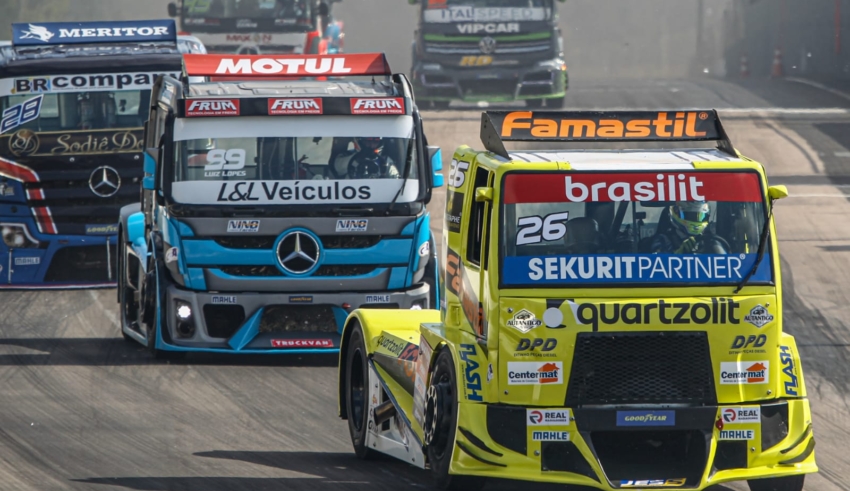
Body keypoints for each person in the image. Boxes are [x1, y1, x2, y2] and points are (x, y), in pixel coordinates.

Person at [650, 201, 726, 254]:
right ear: (676, 212)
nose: (695, 220)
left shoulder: (711, 240)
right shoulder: (662, 240)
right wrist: (678, 254)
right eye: (690, 216)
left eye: (701, 216)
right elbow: (657, 266)